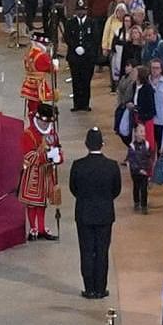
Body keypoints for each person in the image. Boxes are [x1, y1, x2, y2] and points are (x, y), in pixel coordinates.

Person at [69, 127, 122, 299]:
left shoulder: (78, 165)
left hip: (84, 213)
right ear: (103, 144)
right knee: (101, 251)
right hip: (105, 214)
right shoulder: (112, 166)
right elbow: (116, 190)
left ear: (86, 144)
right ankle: (100, 288)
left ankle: (89, 288)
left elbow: (73, 188)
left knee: (86, 251)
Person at [18, 103, 62, 241]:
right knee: (32, 203)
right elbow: (27, 156)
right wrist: (46, 156)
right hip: (33, 174)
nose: (45, 125)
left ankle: (42, 228)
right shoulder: (28, 133)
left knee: (43, 203)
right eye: (43, 122)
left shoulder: (52, 133)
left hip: (47, 173)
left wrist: (58, 157)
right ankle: (33, 228)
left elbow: (58, 148)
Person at [64, 2, 96, 112]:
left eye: (82, 10)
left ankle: (85, 103)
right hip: (74, 56)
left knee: (86, 80)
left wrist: (85, 48)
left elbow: (95, 38)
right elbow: (67, 37)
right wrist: (75, 47)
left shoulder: (91, 23)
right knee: (76, 80)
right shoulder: (70, 23)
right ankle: (77, 103)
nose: (80, 12)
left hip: (88, 57)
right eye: (78, 10)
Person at [20, 30, 57, 119]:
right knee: (36, 106)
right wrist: (55, 63)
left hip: (29, 82)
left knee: (31, 104)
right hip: (38, 84)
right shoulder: (41, 56)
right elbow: (52, 69)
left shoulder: (29, 52)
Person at [124, 122, 154, 214]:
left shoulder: (147, 145)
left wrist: (148, 170)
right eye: (141, 131)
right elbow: (132, 161)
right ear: (136, 133)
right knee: (136, 187)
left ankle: (144, 205)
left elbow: (149, 158)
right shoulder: (132, 147)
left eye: (144, 131)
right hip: (136, 172)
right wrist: (139, 170)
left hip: (144, 171)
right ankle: (136, 202)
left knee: (144, 188)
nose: (143, 133)